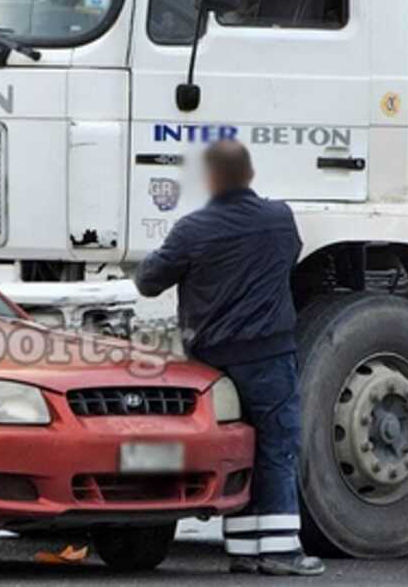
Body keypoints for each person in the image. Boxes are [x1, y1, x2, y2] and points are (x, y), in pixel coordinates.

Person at [135, 141, 325, 578]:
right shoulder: (279, 219)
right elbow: (290, 257)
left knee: (237, 448)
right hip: (268, 354)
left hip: (213, 361)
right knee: (277, 446)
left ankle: (243, 550)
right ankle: (279, 551)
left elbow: (149, 282)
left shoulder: (193, 229)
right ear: (250, 175)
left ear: (211, 180)